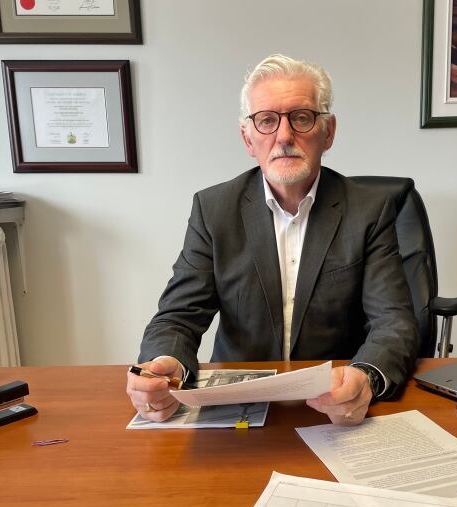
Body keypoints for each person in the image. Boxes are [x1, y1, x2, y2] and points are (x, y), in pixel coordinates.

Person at [127, 54, 419, 425]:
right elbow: (178, 316)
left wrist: (367, 377)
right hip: (238, 407)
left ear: (328, 132)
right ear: (248, 138)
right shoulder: (214, 209)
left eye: (301, 117)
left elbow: (393, 322)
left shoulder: (369, 210)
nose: (284, 136)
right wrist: (164, 366)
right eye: (266, 120)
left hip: (331, 404)